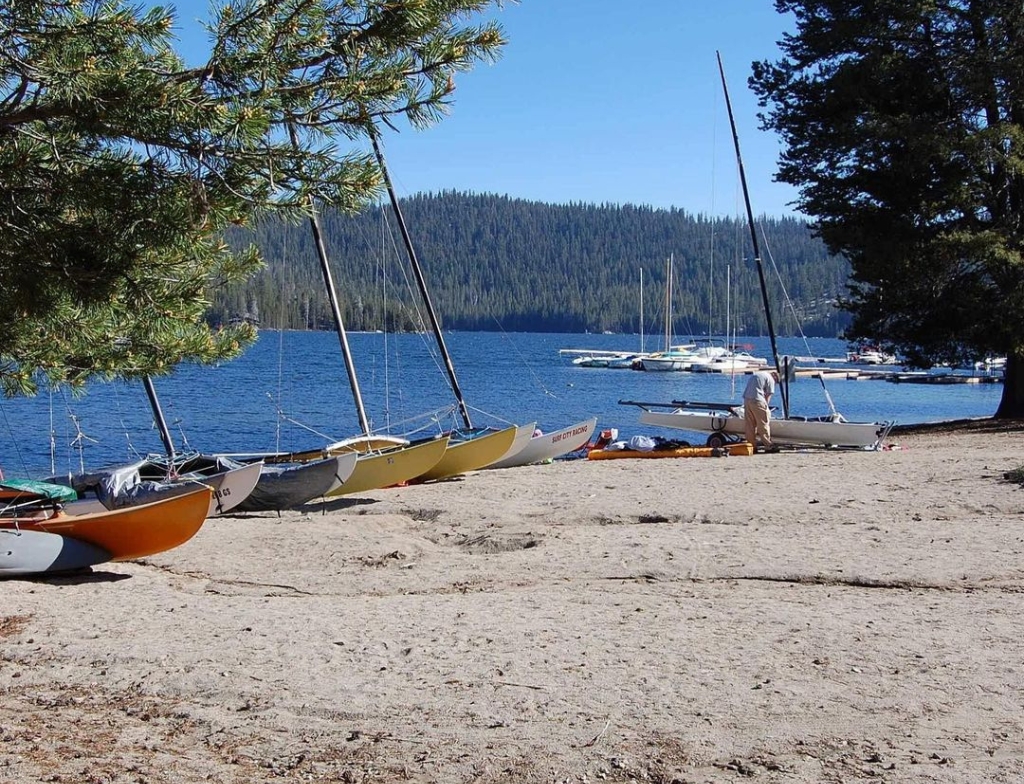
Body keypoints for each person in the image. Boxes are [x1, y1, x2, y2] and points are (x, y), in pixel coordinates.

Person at [743, 368, 780, 453]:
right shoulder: (770, 379)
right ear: (775, 378)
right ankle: (768, 445)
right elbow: (768, 395)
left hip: (747, 399)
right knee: (763, 423)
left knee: (750, 424)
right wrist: (766, 408)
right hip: (758, 400)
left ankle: (752, 446)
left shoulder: (759, 374)